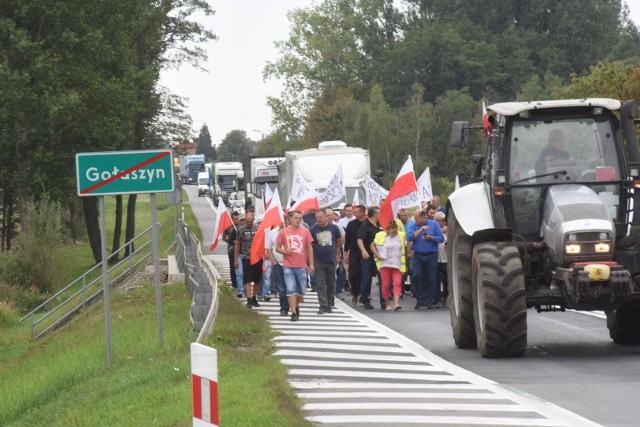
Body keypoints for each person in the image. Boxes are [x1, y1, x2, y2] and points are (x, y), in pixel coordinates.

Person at [276, 210, 314, 322]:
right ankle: (293, 312)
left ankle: (296, 305)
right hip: (288, 265)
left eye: (300, 218)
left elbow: (309, 248)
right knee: (290, 289)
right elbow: (277, 247)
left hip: (302, 265)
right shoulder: (283, 232)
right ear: (290, 219)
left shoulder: (305, 231)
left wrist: (311, 264)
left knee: (302, 290)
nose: (298, 220)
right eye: (296, 218)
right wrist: (284, 251)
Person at [406, 210, 444, 309]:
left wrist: (431, 237)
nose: (415, 220)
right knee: (416, 276)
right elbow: (409, 237)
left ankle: (431, 301)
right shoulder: (414, 226)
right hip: (418, 255)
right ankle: (420, 300)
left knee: (431, 278)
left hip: (431, 255)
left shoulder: (434, 224)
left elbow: (441, 238)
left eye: (417, 218)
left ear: (423, 217)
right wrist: (420, 230)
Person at [310, 209, 343, 314]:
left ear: (326, 217)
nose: (319, 219)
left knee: (331, 284)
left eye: (321, 217)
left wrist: (337, 255)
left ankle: (328, 302)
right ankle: (323, 305)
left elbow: (339, 241)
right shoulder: (312, 230)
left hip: (331, 259)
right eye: (317, 218)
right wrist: (310, 262)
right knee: (321, 284)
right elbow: (310, 246)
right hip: (318, 260)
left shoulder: (334, 228)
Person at [371, 221, 406, 311]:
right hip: (384, 263)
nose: (394, 234)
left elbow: (405, 246)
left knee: (397, 283)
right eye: (392, 232)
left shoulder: (401, 236)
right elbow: (372, 246)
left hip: (397, 264)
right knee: (385, 285)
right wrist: (377, 254)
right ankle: (387, 304)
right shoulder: (380, 235)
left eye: (395, 232)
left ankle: (396, 303)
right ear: (387, 230)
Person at [234, 211, 263, 308]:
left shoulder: (258, 229)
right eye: (247, 221)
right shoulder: (240, 230)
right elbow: (237, 244)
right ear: (245, 220)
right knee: (247, 279)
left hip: (257, 258)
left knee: (257, 279)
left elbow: (263, 242)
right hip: (246, 257)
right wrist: (235, 259)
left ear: (254, 220)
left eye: (251, 221)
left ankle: (254, 297)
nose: (249, 223)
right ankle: (249, 299)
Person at [357, 206, 382, 309]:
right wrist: (363, 251)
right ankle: (365, 299)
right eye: (378, 213)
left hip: (379, 256)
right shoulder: (365, 226)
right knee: (366, 278)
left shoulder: (379, 225)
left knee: (381, 278)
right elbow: (360, 239)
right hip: (368, 256)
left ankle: (383, 300)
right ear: (374, 215)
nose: (380, 215)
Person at [266, 218, 289, 316]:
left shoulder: (292, 232)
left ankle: (293, 306)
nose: (282, 222)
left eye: (284, 220)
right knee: (282, 288)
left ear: (288, 221)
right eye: (280, 220)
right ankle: (284, 308)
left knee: (292, 288)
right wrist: (274, 261)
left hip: (291, 264)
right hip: (278, 264)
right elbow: (269, 248)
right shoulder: (272, 233)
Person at [344, 205, 366, 306]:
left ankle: (363, 296)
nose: (354, 213)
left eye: (356, 212)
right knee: (352, 274)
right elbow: (347, 240)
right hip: (354, 253)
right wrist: (345, 254)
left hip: (366, 253)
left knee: (364, 275)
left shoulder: (367, 224)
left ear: (362, 212)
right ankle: (355, 293)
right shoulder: (351, 224)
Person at [222, 211, 240, 296]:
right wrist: (231, 243)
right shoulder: (228, 227)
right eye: (234, 219)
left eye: (237, 219)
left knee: (240, 268)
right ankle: (234, 285)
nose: (236, 221)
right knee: (232, 267)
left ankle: (241, 284)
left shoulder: (241, 226)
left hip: (240, 250)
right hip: (231, 250)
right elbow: (223, 238)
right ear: (232, 219)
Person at [434, 211, 448, 308]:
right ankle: (437, 299)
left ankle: (445, 296)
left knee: (446, 279)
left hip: (445, 259)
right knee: (436, 280)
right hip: (435, 259)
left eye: (444, 220)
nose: (443, 222)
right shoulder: (433, 230)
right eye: (441, 220)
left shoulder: (449, 231)